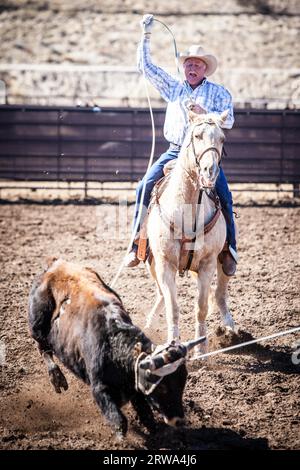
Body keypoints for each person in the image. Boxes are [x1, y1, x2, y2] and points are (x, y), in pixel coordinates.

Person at [124, 14, 237, 276]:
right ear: (184, 67)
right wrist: (146, 35)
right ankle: (136, 245)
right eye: (188, 64)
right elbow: (146, 68)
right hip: (175, 151)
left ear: (205, 69)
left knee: (225, 196)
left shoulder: (219, 93)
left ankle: (229, 249)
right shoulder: (174, 89)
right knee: (144, 187)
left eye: (197, 64)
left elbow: (228, 120)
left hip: (204, 155)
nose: (192, 68)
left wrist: (203, 111)